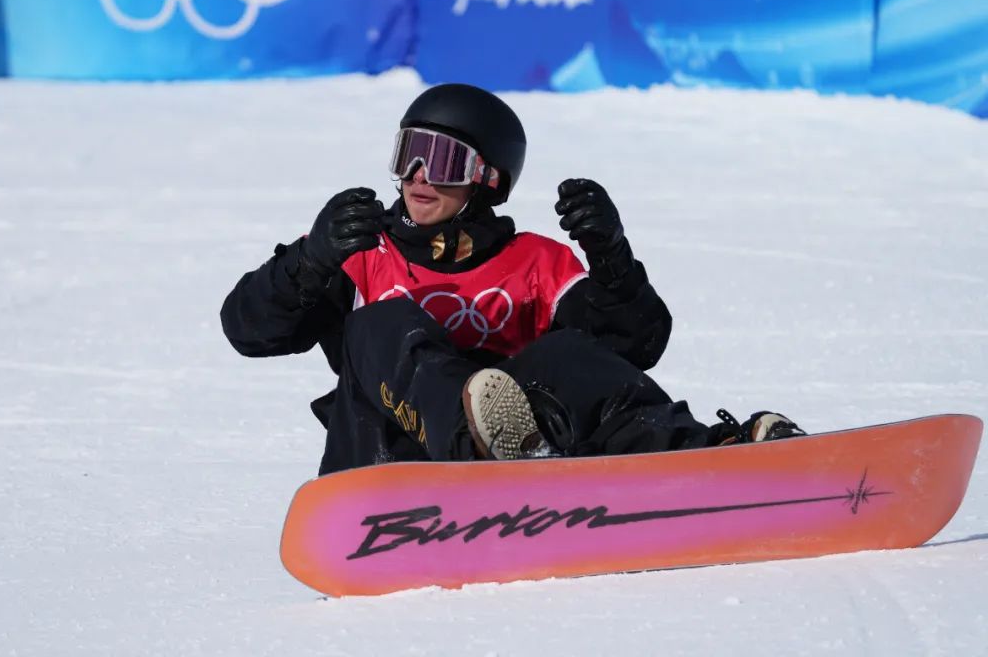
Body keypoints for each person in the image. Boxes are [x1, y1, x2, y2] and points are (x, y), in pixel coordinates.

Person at [221, 83, 804, 475]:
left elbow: (633, 350)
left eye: (443, 160)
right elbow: (247, 331)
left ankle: (717, 463)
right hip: (389, 470)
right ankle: (474, 438)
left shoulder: (535, 263)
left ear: (488, 180)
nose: (420, 176)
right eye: (409, 155)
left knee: (574, 354)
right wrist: (308, 261)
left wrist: (613, 261)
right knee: (378, 324)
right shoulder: (360, 252)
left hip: (521, 468)